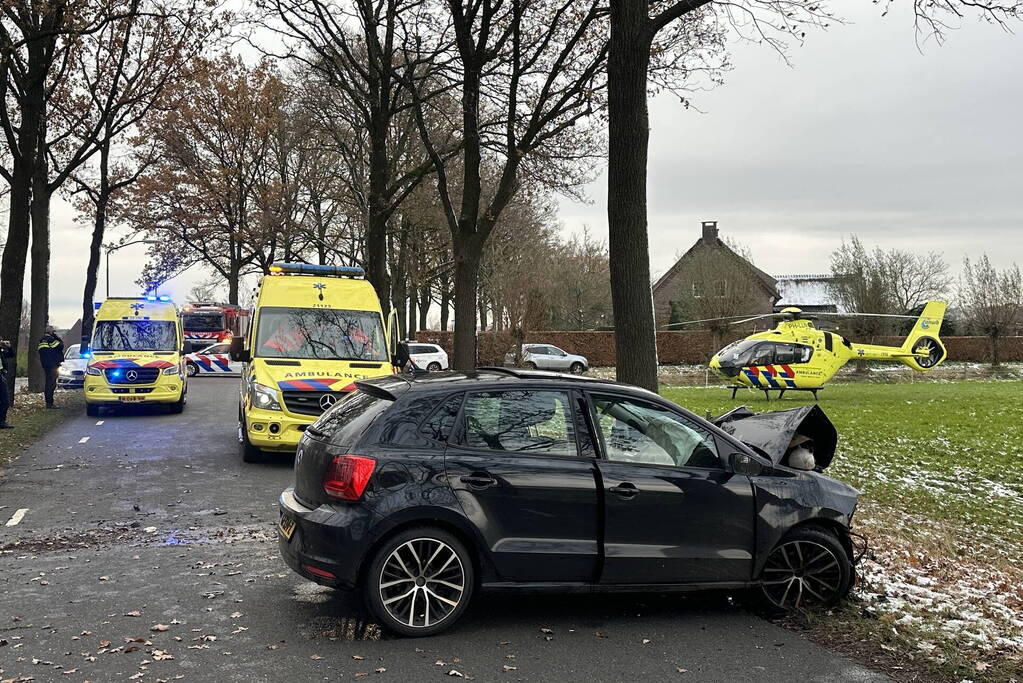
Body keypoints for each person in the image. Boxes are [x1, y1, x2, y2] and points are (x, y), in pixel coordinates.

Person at [37, 327, 64, 408]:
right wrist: (55, 336)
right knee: (51, 384)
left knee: (49, 383)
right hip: (53, 365)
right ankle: (50, 403)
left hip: (46, 365)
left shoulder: (42, 341)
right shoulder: (51, 340)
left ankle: (48, 402)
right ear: (51, 332)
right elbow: (61, 345)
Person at [0, 339, 14, 429]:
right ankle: (1, 422)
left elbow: (10, 355)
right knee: (5, 400)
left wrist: (9, 347)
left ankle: (2, 421)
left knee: (5, 401)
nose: (2, 341)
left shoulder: (1, 351)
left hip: (1, 375)